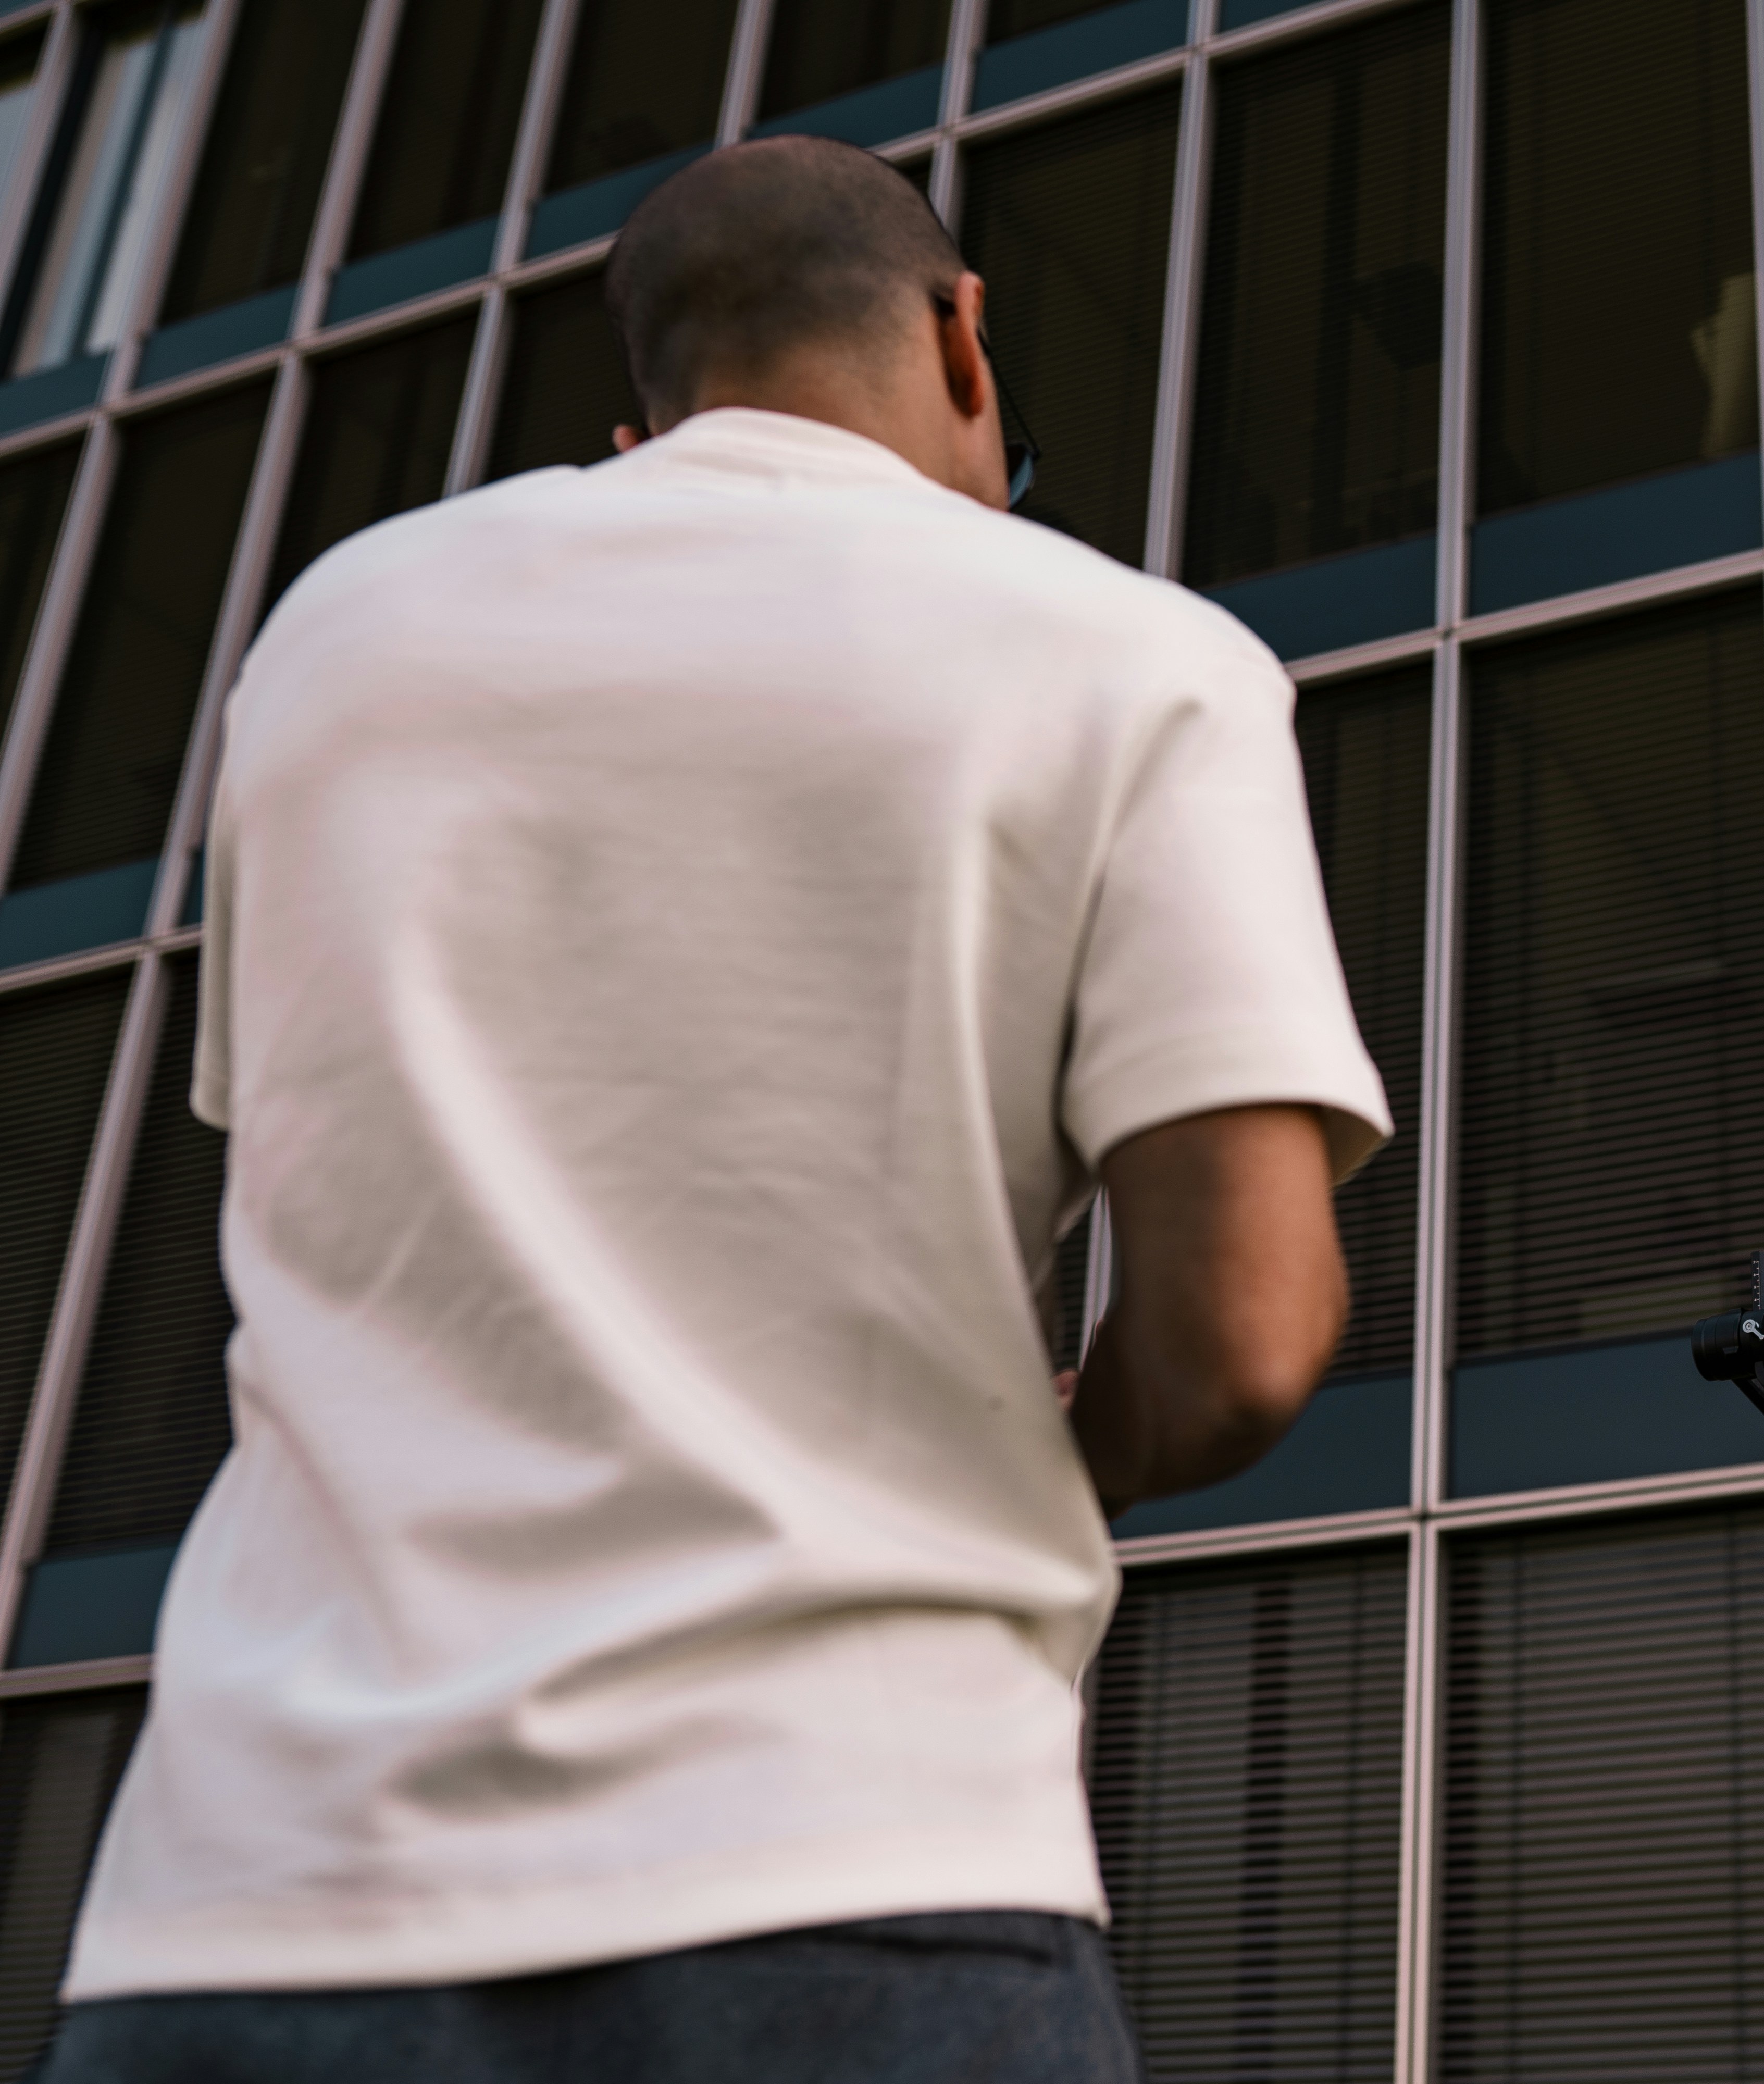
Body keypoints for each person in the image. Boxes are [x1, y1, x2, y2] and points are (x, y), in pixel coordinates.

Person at [41, 137, 1388, 2083]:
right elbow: (1246, 1340)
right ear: (966, 334)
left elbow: (328, 1178)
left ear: (641, 416)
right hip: (853, 1873)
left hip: (246, 1909)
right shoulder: (1132, 654)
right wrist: (1045, 1452)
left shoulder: (339, 637)